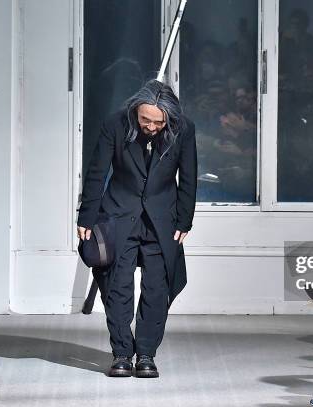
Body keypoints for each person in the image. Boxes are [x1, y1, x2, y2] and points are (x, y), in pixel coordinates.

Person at [77, 79, 197, 378]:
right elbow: (96, 172)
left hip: (162, 221)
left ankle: (146, 354)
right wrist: (86, 217)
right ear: (135, 112)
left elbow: (190, 176)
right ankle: (121, 353)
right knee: (117, 288)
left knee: (157, 290)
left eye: (158, 121)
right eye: (146, 119)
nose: (152, 126)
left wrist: (185, 219)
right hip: (119, 215)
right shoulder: (115, 125)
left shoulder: (183, 128)